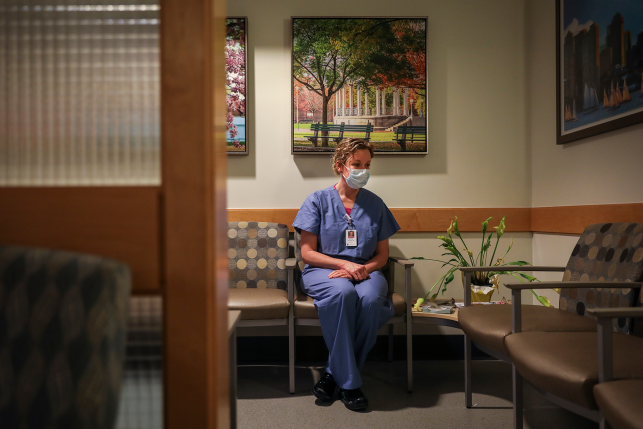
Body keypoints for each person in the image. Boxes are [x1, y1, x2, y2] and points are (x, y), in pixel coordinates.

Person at [293, 138, 400, 411]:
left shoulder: (375, 204)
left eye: (367, 165)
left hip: (366, 270)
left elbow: (382, 257)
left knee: (373, 301)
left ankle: (332, 374)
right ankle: (350, 384)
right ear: (340, 166)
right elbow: (308, 253)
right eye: (356, 164)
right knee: (342, 293)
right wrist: (343, 266)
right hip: (323, 270)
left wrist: (361, 268)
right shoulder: (317, 201)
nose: (362, 170)